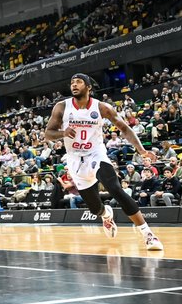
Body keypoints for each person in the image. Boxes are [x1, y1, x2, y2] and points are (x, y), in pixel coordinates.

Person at [44, 74, 163, 250]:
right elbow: (48, 133)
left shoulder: (102, 107)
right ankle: (106, 214)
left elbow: (124, 128)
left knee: (115, 188)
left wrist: (141, 150)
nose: (74, 85)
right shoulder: (62, 107)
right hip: (75, 159)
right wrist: (62, 133)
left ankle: (148, 234)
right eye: (72, 83)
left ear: (88, 87)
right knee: (94, 208)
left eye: (78, 82)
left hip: (96, 154)